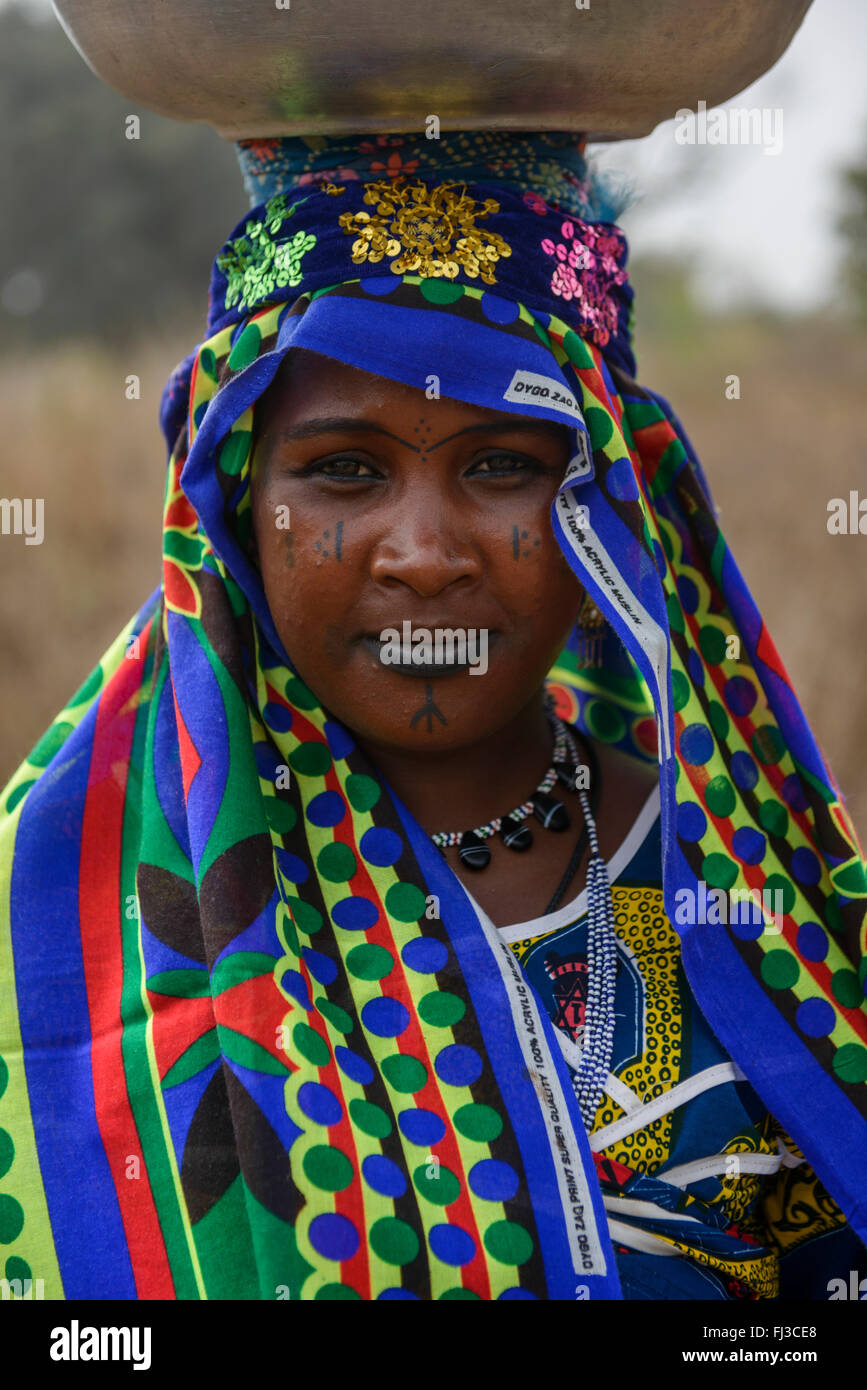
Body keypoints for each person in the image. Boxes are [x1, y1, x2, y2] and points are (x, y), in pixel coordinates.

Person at [0, 131, 865, 1301]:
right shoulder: (53, 923)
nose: (423, 555)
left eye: (502, 465)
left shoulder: (765, 887)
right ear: (235, 508)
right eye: (345, 472)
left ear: (608, 507)